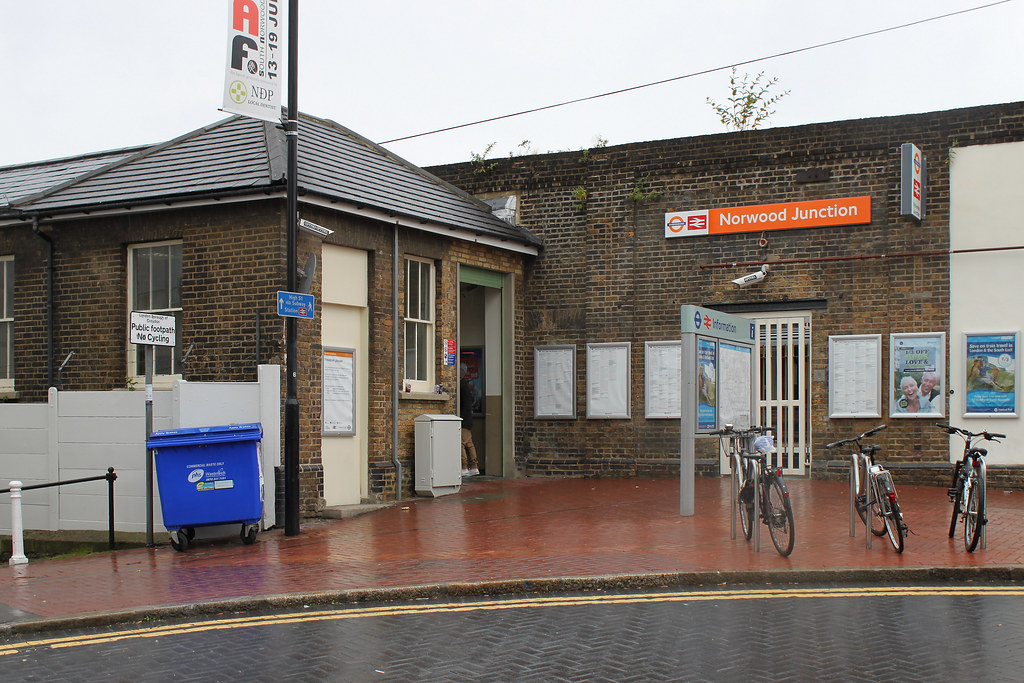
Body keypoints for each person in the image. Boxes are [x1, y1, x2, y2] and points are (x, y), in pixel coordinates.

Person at [459, 363, 480, 477]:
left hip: (463, 419)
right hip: (468, 419)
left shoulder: (461, 384)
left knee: (461, 444)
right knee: (469, 444)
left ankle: (464, 467)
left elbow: (464, 404)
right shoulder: (466, 385)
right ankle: (474, 466)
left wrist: (460, 417)